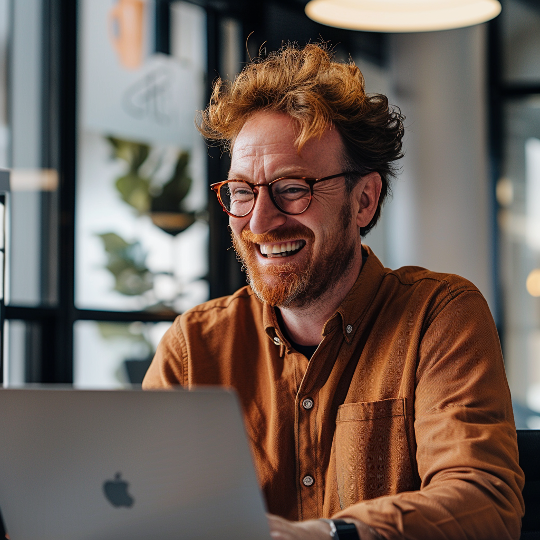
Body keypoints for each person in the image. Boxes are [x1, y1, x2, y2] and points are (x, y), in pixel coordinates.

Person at [143, 43, 524, 540]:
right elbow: (144, 507)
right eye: (242, 192)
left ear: (364, 200)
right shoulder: (193, 347)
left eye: (293, 187)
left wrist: (327, 535)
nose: (259, 221)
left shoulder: (439, 316)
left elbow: (485, 503)